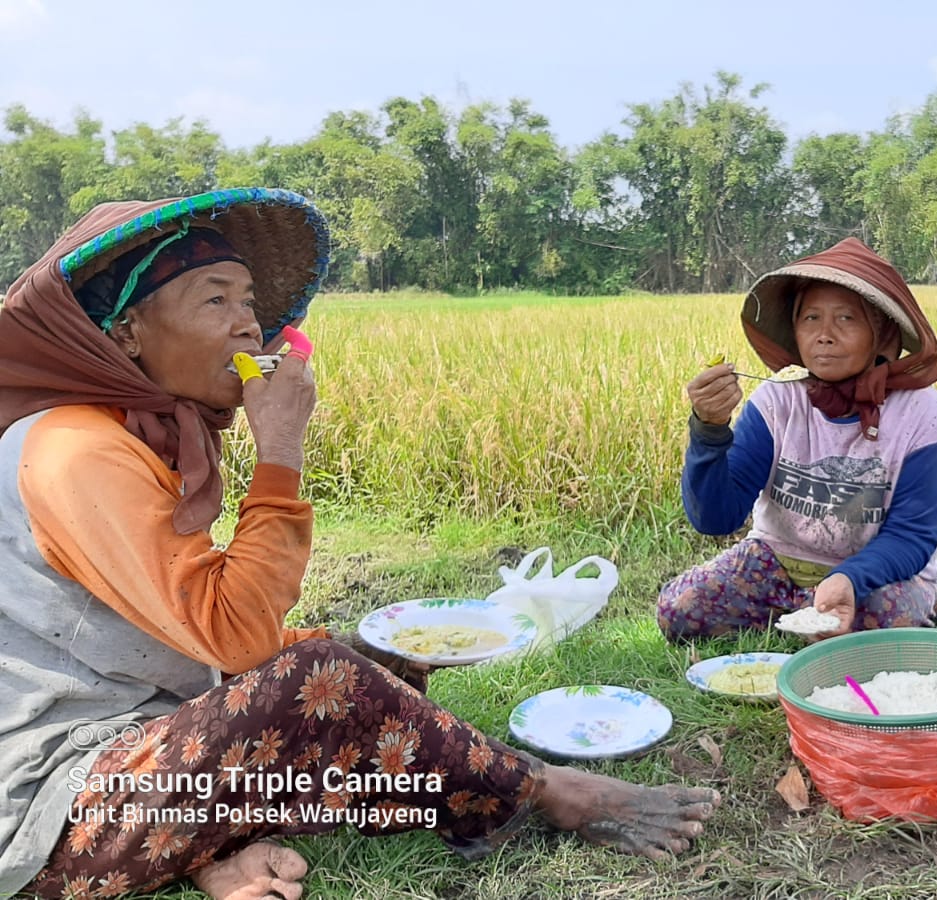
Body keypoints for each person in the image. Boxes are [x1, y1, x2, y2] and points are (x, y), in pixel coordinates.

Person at [0, 189, 718, 900]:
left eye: (249, 301)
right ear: (125, 333)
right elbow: (235, 639)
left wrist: (345, 648)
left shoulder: (143, 428)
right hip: (59, 812)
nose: (249, 326)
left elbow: (183, 629)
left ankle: (212, 849)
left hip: (143, 742)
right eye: (214, 302)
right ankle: (544, 790)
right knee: (318, 678)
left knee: (362, 660)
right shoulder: (75, 450)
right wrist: (281, 448)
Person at [657, 238, 937, 640]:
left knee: (890, 624)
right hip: (778, 559)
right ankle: (804, 616)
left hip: (870, 574)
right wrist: (709, 430)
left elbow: (911, 536)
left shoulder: (922, 413)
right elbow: (716, 517)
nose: (824, 335)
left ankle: (807, 616)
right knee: (680, 611)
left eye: (846, 318)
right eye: (810, 318)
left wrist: (849, 578)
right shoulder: (777, 402)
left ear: (882, 336)